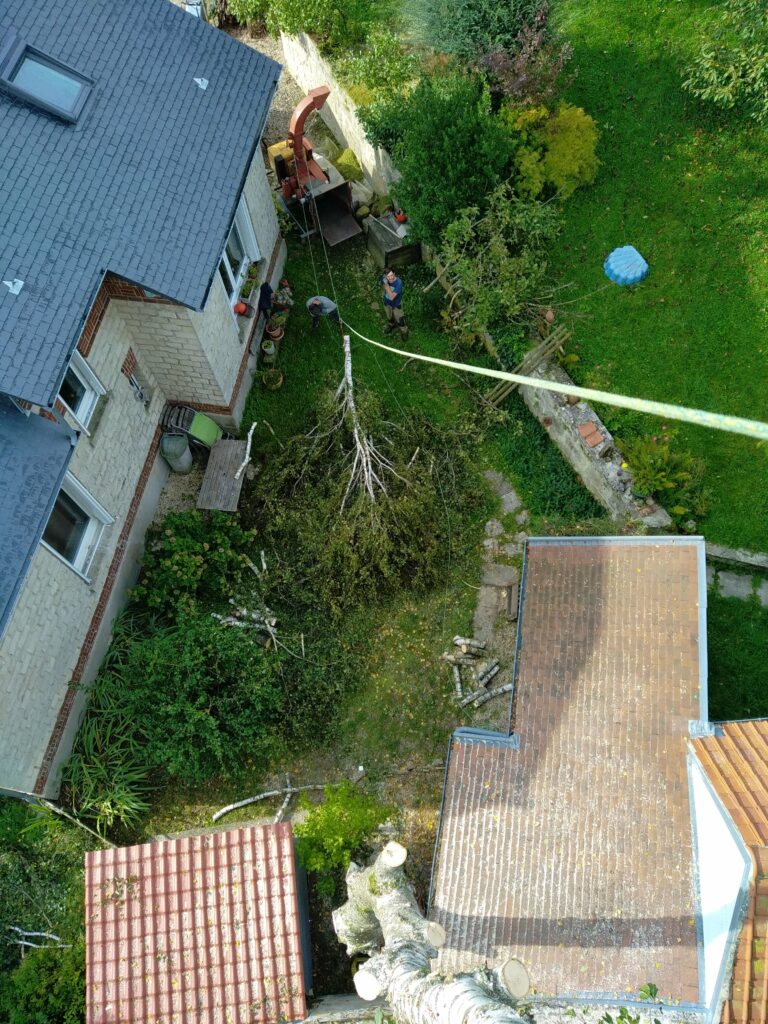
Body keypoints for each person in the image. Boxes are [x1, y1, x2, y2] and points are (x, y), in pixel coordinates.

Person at [381, 268, 407, 339]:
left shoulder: (399, 283)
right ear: (385, 276)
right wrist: (384, 284)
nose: (391, 278)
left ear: (394, 274)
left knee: (400, 319)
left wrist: (386, 284)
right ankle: (391, 325)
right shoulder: (383, 278)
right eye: (388, 276)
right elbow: (382, 285)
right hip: (387, 302)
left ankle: (404, 331)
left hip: (396, 304)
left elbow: (392, 297)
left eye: (392, 275)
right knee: (389, 316)